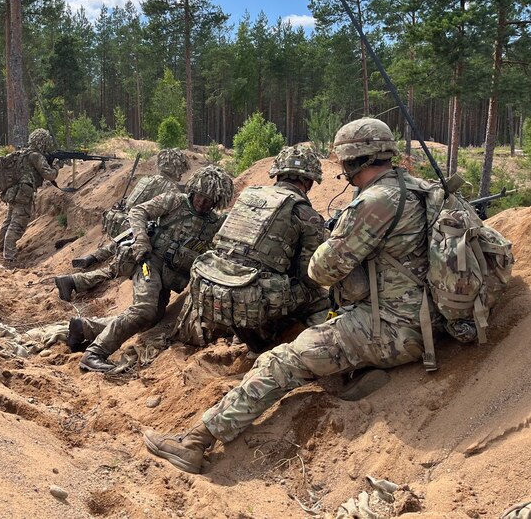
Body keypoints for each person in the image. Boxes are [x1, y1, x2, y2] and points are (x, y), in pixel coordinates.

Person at [142, 117, 434, 474]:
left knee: (281, 360)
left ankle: (195, 442)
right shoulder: (420, 188)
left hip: (389, 329)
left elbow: (322, 271)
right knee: (321, 317)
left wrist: (342, 234)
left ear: (354, 159)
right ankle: (351, 374)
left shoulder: (374, 202)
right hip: (423, 319)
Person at [79, 165, 234, 373]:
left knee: (151, 319)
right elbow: (138, 211)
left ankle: (82, 328)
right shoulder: (175, 201)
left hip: (170, 279)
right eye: (199, 196)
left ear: (217, 202)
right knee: (145, 309)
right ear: (193, 190)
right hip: (148, 265)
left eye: (208, 200)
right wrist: (141, 240)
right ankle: (94, 354)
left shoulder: (214, 223)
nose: (202, 202)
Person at [176, 144, 329, 352]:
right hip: (252, 299)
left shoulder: (249, 196)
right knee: (321, 298)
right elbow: (309, 276)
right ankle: (311, 352)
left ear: (277, 175)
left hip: (215, 290)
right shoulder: (306, 214)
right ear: (309, 182)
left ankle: (251, 340)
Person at [54, 148, 190, 301]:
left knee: (120, 243)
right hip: (136, 230)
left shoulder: (146, 179)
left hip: (124, 223)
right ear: (176, 168)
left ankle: (93, 257)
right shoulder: (170, 190)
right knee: (117, 268)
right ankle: (73, 281)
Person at [0, 128, 58, 262]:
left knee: (8, 221)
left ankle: (1, 248)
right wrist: (56, 167)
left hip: (14, 193)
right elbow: (49, 175)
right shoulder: (35, 156)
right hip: (23, 196)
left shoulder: (22, 153)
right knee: (17, 225)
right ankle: (9, 258)